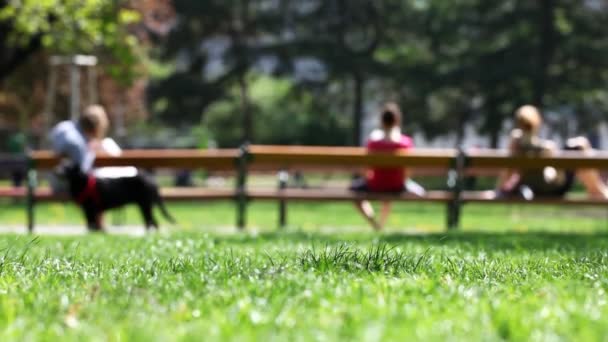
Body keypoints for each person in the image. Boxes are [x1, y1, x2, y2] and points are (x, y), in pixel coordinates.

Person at [495, 104, 608, 199]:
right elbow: (556, 178)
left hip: (533, 188)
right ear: (537, 122)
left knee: (575, 146)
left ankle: (597, 190)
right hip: (551, 189)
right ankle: (597, 190)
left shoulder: (516, 142)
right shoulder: (544, 147)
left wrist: (499, 190)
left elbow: (507, 170)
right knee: (579, 145)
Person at [350, 102, 425, 230]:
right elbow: (408, 171)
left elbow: (366, 169)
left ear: (381, 121)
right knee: (420, 191)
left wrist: (370, 177)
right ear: (397, 121)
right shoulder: (405, 143)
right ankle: (381, 224)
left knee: (353, 189)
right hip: (397, 185)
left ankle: (375, 223)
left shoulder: (373, 143)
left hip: (376, 184)